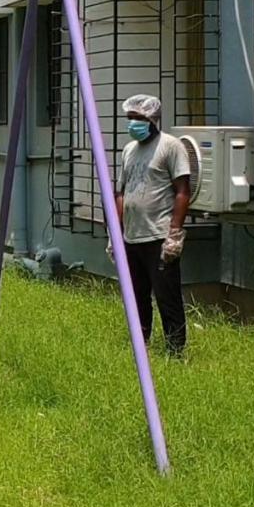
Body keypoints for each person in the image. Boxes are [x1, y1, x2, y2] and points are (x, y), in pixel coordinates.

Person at [111, 94, 191, 357]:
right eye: (130, 118)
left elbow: (182, 191)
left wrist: (175, 234)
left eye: (139, 118)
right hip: (132, 236)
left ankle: (175, 351)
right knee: (137, 297)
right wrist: (116, 232)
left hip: (158, 235)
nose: (133, 123)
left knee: (167, 297)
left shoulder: (171, 146)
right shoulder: (128, 150)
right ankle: (140, 345)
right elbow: (121, 192)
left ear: (153, 119)